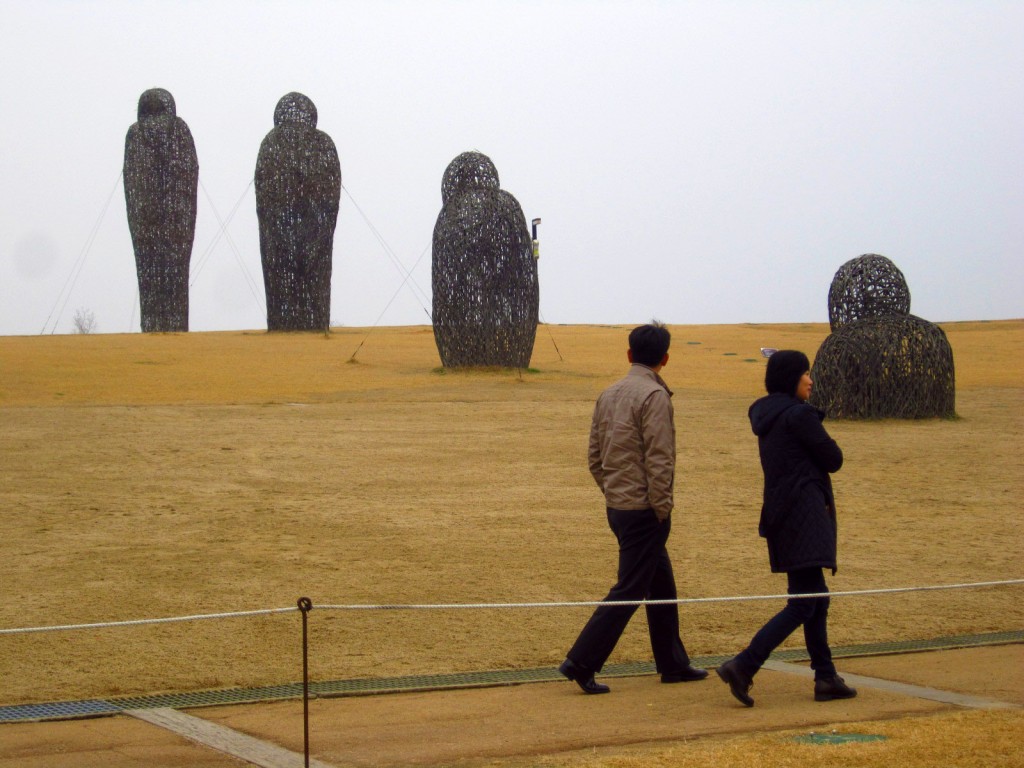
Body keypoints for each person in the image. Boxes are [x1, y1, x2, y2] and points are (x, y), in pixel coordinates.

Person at [559, 322, 707, 694]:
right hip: (644, 510)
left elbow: (594, 456)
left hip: (619, 506)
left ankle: (673, 663)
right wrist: (661, 507)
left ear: (629, 354)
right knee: (628, 590)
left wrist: (612, 491)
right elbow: (660, 458)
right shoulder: (654, 397)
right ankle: (581, 662)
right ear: (665, 358)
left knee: (661, 585)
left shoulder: (608, 393)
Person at [716, 350, 857, 707]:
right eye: (805, 374)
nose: (811, 380)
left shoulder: (768, 415)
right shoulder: (799, 416)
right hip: (805, 514)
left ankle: (825, 676)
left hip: (782, 513)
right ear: (790, 378)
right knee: (803, 603)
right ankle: (744, 665)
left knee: (814, 597)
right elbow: (834, 459)